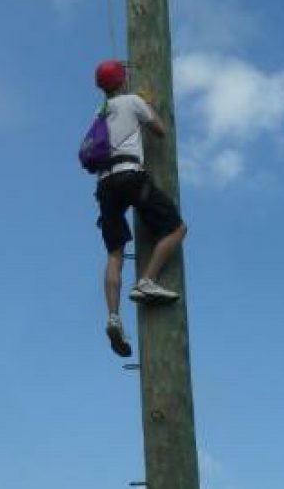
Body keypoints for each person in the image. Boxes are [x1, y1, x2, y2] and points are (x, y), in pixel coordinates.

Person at [91, 60, 187, 358]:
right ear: (122, 81)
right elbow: (160, 130)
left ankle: (113, 316)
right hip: (130, 175)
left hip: (104, 184)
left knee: (115, 254)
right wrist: (149, 105)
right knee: (176, 229)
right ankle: (146, 282)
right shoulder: (132, 101)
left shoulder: (101, 111)